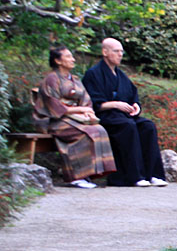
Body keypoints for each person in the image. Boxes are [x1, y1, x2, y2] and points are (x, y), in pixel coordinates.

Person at [81, 38, 167, 187]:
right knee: (128, 126)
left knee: (147, 126)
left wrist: (136, 107)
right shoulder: (93, 74)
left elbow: (133, 95)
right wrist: (114, 104)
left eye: (121, 51)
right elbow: (92, 103)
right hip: (105, 117)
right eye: (116, 51)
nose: (120, 54)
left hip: (123, 116)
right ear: (105, 52)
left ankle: (153, 174)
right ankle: (134, 176)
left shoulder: (121, 75)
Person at [34, 47, 117, 189]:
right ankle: (75, 177)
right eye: (68, 56)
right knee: (87, 133)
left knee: (99, 130)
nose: (73, 59)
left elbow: (86, 101)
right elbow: (53, 105)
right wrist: (79, 109)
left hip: (75, 118)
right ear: (58, 61)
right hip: (55, 120)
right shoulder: (51, 79)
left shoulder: (76, 79)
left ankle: (88, 174)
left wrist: (88, 112)